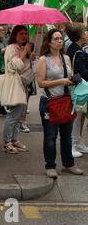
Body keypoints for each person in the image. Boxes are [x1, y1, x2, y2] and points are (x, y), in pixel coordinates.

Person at [36, 29, 83, 178]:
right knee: (50, 137)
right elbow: (40, 82)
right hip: (49, 103)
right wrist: (60, 81)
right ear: (49, 42)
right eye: (56, 39)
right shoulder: (44, 59)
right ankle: (50, 166)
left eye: (61, 39)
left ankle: (69, 164)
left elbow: (69, 77)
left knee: (66, 136)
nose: (59, 41)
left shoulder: (66, 58)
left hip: (65, 101)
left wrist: (73, 80)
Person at [2, 25, 34, 154]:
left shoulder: (21, 48)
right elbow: (16, 66)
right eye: (21, 33)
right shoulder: (11, 48)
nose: (24, 36)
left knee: (19, 114)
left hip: (23, 84)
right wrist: (25, 52)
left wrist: (29, 57)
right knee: (13, 114)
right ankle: (7, 141)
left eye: (25, 34)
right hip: (15, 83)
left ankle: (14, 139)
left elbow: (25, 66)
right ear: (15, 35)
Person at [66, 23, 88, 157]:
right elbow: (82, 72)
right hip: (78, 87)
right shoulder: (77, 51)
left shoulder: (76, 48)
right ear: (79, 35)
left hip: (79, 86)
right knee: (76, 115)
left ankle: (78, 142)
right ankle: (72, 144)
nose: (86, 33)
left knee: (80, 115)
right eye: (84, 31)